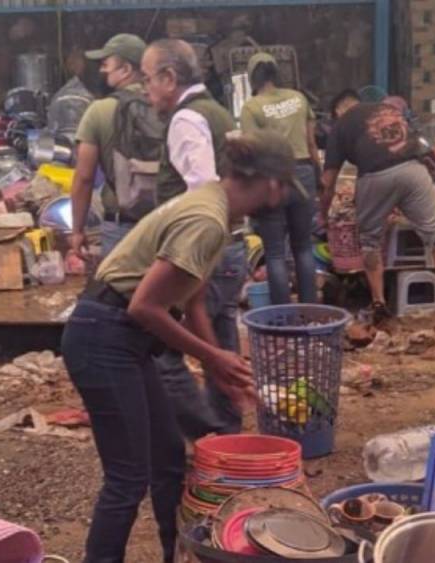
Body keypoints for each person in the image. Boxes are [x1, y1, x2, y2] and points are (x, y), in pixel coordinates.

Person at [61, 130, 295, 563]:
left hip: (123, 339)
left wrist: (217, 368)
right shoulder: (206, 220)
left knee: (168, 455)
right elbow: (144, 306)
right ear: (272, 184)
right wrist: (212, 356)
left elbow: (194, 303)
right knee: (127, 477)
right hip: (105, 335)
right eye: (284, 186)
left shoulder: (215, 208)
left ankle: (175, 554)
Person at [141, 39, 246, 437]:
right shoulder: (217, 112)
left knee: (165, 349)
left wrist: (192, 261)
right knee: (220, 343)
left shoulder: (187, 120)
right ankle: (228, 441)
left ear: (169, 78)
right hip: (229, 247)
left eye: (149, 79)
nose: (146, 90)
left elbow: (202, 188)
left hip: (202, 253)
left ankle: (205, 438)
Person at [321, 97, 435, 324]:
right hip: (414, 170)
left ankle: (379, 304)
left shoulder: (340, 126)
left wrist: (323, 212)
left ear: (337, 112)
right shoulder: (385, 108)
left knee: (370, 241)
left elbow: (328, 182)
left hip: (376, 177)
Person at [68, 33, 162, 258]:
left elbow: (84, 177)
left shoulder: (99, 111)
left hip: (122, 228)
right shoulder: (168, 105)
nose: (102, 70)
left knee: (122, 291)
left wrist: (77, 230)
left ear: (126, 69)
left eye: (106, 64)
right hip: (167, 224)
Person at [240, 52, 319, 304]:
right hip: (303, 172)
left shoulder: (251, 107)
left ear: (252, 78)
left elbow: (251, 152)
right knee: (303, 247)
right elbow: (311, 143)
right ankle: (309, 310)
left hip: (272, 179)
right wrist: (317, 176)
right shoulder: (298, 98)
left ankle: (282, 315)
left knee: (274, 253)